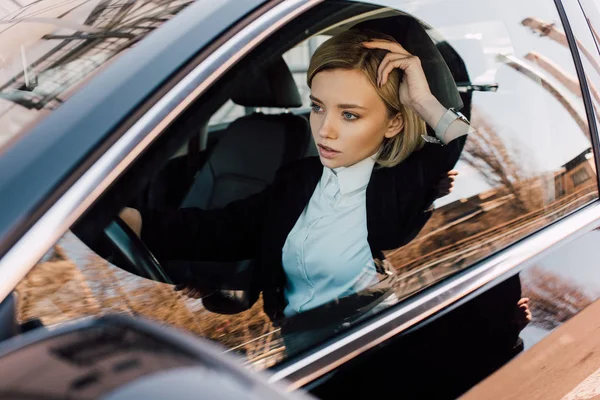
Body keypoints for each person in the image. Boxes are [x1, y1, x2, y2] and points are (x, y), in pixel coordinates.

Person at [119, 28, 524, 355]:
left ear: (393, 124)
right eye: (317, 107)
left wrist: (419, 97)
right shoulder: (295, 180)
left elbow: (454, 142)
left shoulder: (397, 176)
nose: (325, 129)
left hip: (373, 323)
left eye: (349, 114)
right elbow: (227, 226)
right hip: (300, 336)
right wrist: (142, 224)